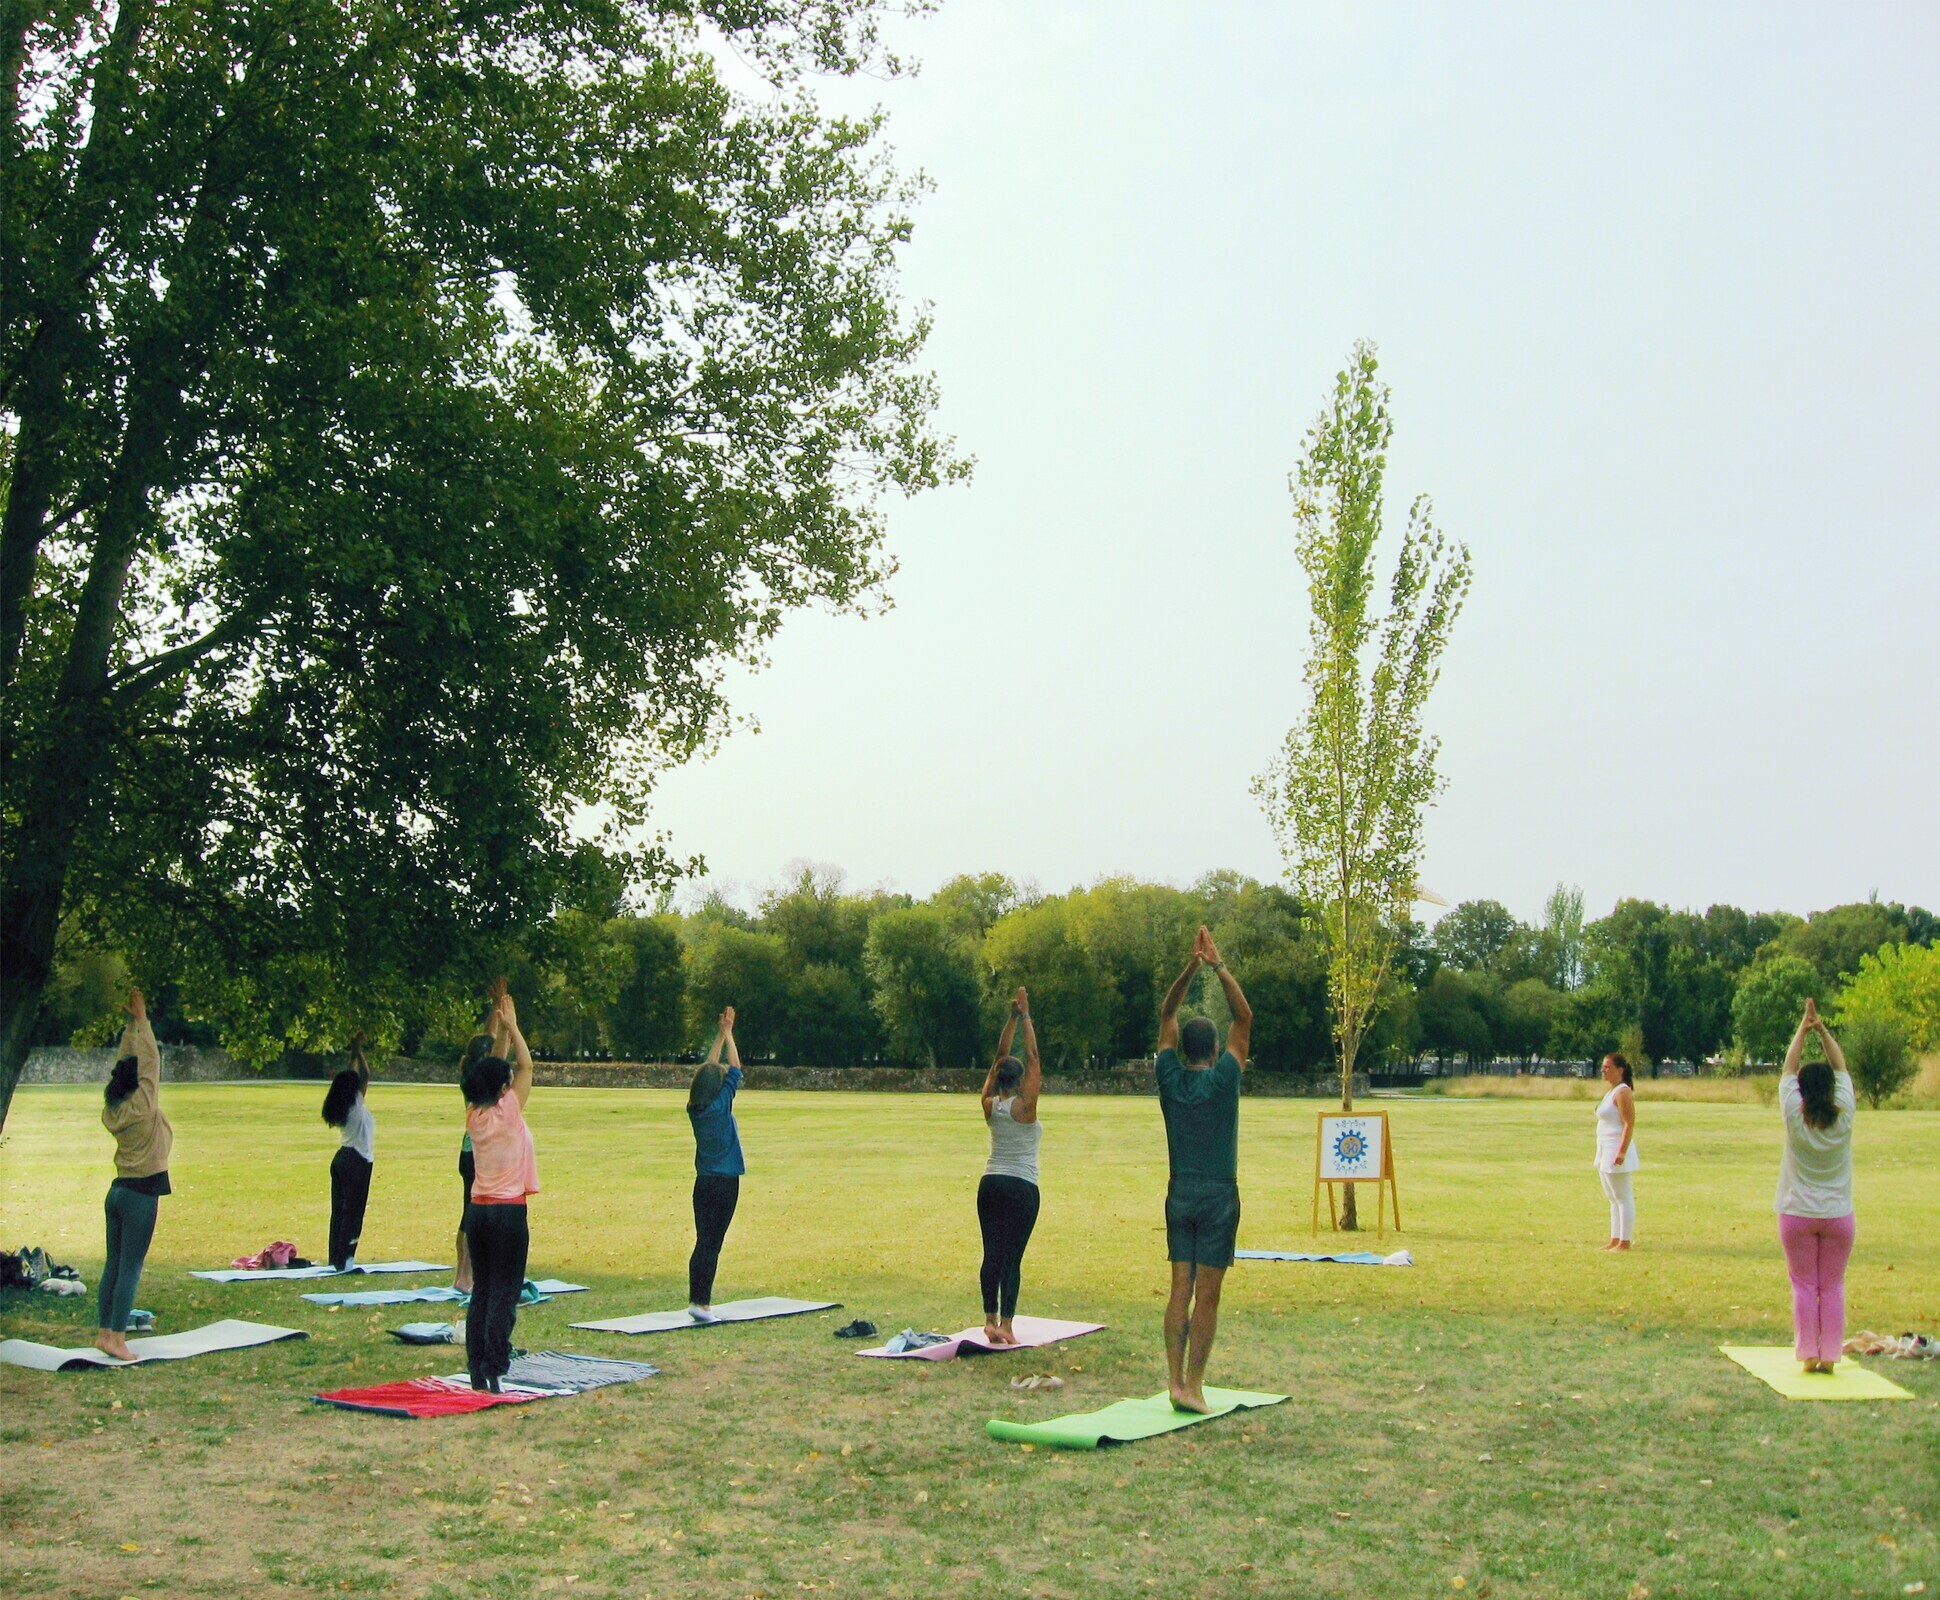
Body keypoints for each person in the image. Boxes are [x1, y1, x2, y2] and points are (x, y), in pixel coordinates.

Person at [1154, 925, 1252, 1413]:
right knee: (1207, 1295)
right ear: (1213, 1051)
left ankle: (1173, 1382)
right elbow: (1244, 1016)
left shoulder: (1168, 1077)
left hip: (1179, 1194)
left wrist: (1190, 967)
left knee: (1180, 1289)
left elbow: (1168, 1013)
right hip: (1218, 1196)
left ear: (1182, 1050)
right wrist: (1216, 964)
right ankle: (1193, 1388)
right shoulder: (1226, 1079)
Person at [461, 981, 537, 1392]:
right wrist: (515, 1028)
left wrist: (503, 1028)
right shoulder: (508, 1111)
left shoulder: (475, 1113)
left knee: (483, 1289)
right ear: (503, 1089)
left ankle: (477, 1364)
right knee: (505, 1291)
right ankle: (495, 1362)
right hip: (508, 1212)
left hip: (479, 1211)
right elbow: (525, 1068)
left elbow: (491, 1071)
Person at [1777, 997, 1857, 1374]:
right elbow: (1840, 1067)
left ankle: (1808, 1353)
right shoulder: (1844, 1115)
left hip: (1797, 1213)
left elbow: (1788, 1069)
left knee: (1805, 1286)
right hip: (1838, 1215)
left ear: (1802, 1090)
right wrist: (1822, 1029)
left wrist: (1802, 1027)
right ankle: (1830, 1356)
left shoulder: (1796, 1115)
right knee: (1833, 1287)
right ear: (1830, 1089)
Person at [97, 987, 171, 1360]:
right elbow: (152, 1064)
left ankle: (104, 1332)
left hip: (117, 1192)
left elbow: (125, 1064)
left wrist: (131, 1027)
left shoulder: (114, 1107)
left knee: (114, 1263)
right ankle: (117, 1338)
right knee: (130, 1268)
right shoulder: (143, 1104)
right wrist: (144, 1022)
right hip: (141, 1194)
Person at [976, 986, 1043, 1346]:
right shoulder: (1025, 1108)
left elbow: (1000, 1056)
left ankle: (988, 1320)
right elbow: (1032, 1057)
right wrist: (1027, 1015)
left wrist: (1011, 1018)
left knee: (992, 1251)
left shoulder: (989, 1105)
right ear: (1019, 1082)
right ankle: (1006, 1325)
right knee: (1012, 1257)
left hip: (990, 1184)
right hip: (1021, 1186)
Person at [686, 1007, 745, 1321]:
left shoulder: (695, 1108)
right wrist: (729, 1034)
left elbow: (710, 1069)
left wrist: (720, 1035)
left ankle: (697, 1299)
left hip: (703, 1183)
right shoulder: (721, 1106)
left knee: (702, 1242)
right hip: (725, 1184)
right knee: (713, 1243)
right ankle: (701, 1304)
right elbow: (735, 1068)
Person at [321, 1034, 375, 1271]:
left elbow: (353, 1075)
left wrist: (354, 1050)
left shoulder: (344, 1103)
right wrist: (359, 1051)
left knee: (339, 1211)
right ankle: (346, 1260)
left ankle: (337, 1257)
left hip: (343, 1158)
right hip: (357, 1160)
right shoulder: (355, 1101)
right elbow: (365, 1075)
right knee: (353, 1211)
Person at [1594, 1052, 1638, 1251]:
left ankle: (1625, 1241)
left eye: (1608, 1067)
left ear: (1620, 1070)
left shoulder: (1622, 1092)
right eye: (1603, 1067)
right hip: (1604, 1148)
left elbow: (1629, 1123)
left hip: (1615, 1149)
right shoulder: (1610, 1092)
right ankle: (1614, 1238)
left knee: (1623, 1196)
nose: (1604, 1070)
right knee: (1612, 1198)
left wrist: (1621, 1152)